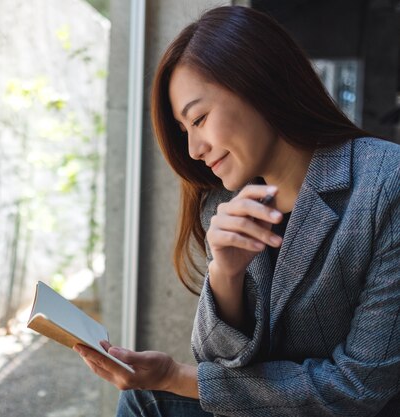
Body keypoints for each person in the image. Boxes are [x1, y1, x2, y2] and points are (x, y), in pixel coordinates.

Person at [73, 5, 400, 417]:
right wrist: (226, 275)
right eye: (184, 130)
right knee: (143, 400)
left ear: (258, 83)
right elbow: (220, 365)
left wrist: (173, 375)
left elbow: (358, 388)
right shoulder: (224, 205)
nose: (194, 149)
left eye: (200, 118)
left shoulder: (387, 184)